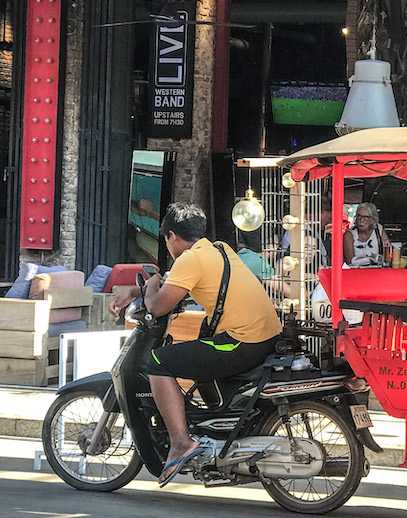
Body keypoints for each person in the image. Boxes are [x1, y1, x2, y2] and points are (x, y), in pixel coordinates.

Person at [108, 203, 282, 486]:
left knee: (159, 362)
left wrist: (150, 285)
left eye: (166, 239)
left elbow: (158, 306)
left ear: (172, 237)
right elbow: (178, 283)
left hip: (242, 341)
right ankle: (214, 423)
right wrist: (136, 290)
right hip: (263, 336)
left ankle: (180, 442)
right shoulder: (218, 249)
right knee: (201, 343)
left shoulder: (189, 260)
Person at [343, 202, 391, 267]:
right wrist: (372, 259)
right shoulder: (349, 234)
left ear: (373, 220)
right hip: (356, 273)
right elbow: (350, 261)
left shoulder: (379, 231)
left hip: (376, 272)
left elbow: (388, 254)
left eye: (365, 217)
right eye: (359, 216)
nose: (361, 220)